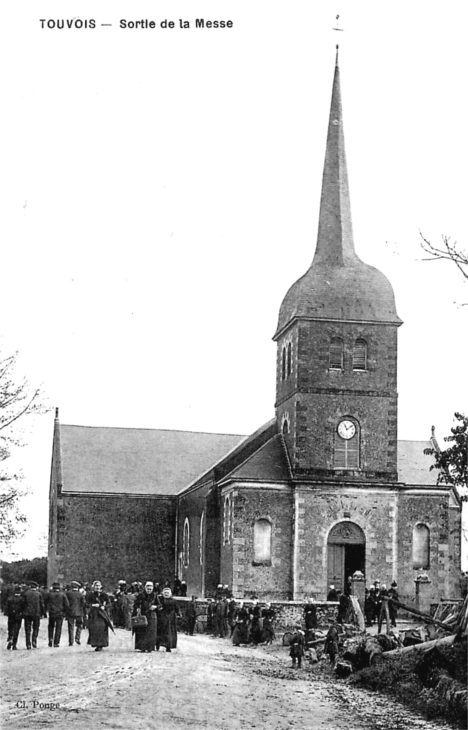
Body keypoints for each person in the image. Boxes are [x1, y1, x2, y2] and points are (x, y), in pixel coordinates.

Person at [132, 581, 160, 652]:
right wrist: (138, 608)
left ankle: (150, 647)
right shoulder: (141, 595)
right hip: (143, 615)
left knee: (151, 632)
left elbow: (160, 605)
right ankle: (142, 647)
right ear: (145, 588)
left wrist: (155, 606)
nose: (149, 590)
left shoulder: (155, 595)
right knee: (142, 631)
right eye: (148, 589)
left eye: (150, 589)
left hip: (152, 616)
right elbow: (136, 604)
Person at [86, 580, 111, 651]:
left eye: (98, 586)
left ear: (101, 586)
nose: (97, 587)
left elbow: (109, 604)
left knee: (102, 628)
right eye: (96, 586)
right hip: (94, 614)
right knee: (94, 629)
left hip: (102, 615)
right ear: (93, 587)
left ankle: (101, 644)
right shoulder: (90, 595)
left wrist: (104, 607)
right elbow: (86, 604)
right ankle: (95, 643)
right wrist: (93, 605)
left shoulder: (104, 595)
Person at [22, 581, 45, 650]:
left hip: (27, 613)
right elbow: (42, 605)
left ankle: (28, 644)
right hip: (36, 614)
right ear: (36, 587)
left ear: (30, 587)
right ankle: (34, 641)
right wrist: (43, 613)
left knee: (27, 629)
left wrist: (23, 612)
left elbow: (23, 604)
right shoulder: (39, 594)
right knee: (36, 628)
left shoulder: (26, 594)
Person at [46, 582, 70, 647]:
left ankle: (50, 639)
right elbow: (67, 605)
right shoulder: (63, 595)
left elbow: (46, 603)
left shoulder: (49, 594)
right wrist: (64, 612)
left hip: (52, 613)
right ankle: (56, 642)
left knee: (51, 626)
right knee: (58, 628)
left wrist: (48, 610)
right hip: (60, 613)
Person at [156, 587, 180, 652]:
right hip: (162, 618)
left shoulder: (174, 601)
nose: (166, 594)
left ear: (170, 594)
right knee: (161, 632)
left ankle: (170, 646)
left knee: (171, 632)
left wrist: (178, 614)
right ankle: (161, 645)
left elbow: (177, 609)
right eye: (165, 593)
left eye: (167, 593)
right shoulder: (160, 600)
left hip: (171, 619)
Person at [66, 581, 86, 646]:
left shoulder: (68, 593)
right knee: (79, 626)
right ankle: (77, 638)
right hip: (79, 612)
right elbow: (83, 604)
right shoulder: (81, 594)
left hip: (70, 612)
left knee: (70, 627)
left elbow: (66, 604)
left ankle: (71, 641)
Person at [6, 584, 23, 651]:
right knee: (17, 630)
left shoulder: (10, 599)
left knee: (10, 628)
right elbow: (23, 608)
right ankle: (14, 644)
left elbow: (6, 608)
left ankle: (10, 638)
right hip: (18, 616)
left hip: (11, 616)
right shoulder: (22, 599)